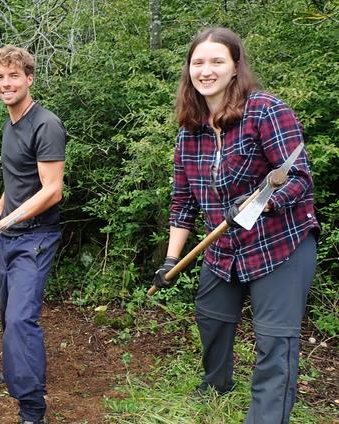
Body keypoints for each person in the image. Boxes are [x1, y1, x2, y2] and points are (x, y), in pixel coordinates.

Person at [154, 27, 319, 423]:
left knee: (274, 341)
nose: (206, 70)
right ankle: (216, 384)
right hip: (223, 250)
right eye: (198, 62)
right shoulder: (189, 133)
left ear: (235, 67)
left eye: (216, 61)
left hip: (280, 245)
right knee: (211, 314)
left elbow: (297, 178)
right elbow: (183, 203)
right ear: (188, 70)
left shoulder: (265, 110)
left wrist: (256, 205)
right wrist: (171, 260)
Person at [0, 45, 66, 424]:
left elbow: (51, 190)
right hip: (10, 234)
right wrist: (0, 205)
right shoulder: (10, 124)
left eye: (14, 76)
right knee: (6, 314)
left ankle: (32, 409)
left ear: (29, 79)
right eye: (0, 77)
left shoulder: (45, 124)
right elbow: (18, 177)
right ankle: (16, 370)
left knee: (20, 320)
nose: (6, 83)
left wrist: (6, 220)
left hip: (36, 238)